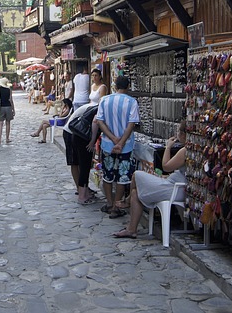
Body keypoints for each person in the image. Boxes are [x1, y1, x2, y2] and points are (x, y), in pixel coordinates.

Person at [113, 121, 187, 238]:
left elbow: (166, 167)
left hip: (173, 190)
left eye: (178, 131)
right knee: (135, 193)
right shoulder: (186, 150)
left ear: (183, 134)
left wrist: (168, 147)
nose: (177, 134)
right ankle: (131, 229)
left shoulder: (184, 151)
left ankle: (127, 202)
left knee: (137, 175)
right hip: (174, 186)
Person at [96, 75, 140, 219]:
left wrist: (113, 138)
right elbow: (131, 124)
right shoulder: (132, 102)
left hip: (108, 144)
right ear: (128, 86)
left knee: (108, 175)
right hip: (125, 146)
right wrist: (120, 142)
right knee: (122, 176)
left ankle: (109, 203)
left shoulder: (104, 100)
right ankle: (116, 206)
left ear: (115, 86)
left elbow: (100, 121)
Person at [62, 102, 99, 204]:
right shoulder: (97, 108)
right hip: (73, 133)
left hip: (78, 133)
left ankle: (83, 190)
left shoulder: (94, 106)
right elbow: (95, 122)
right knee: (76, 163)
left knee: (82, 164)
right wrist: (92, 142)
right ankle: (81, 192)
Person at [0, 77, 15, 144]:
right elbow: (11, 100)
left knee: (0, 123)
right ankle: (7, 138)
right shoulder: (9, 90)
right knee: (8, 123)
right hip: (8, 107)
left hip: (1, 107)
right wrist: (13, 109)